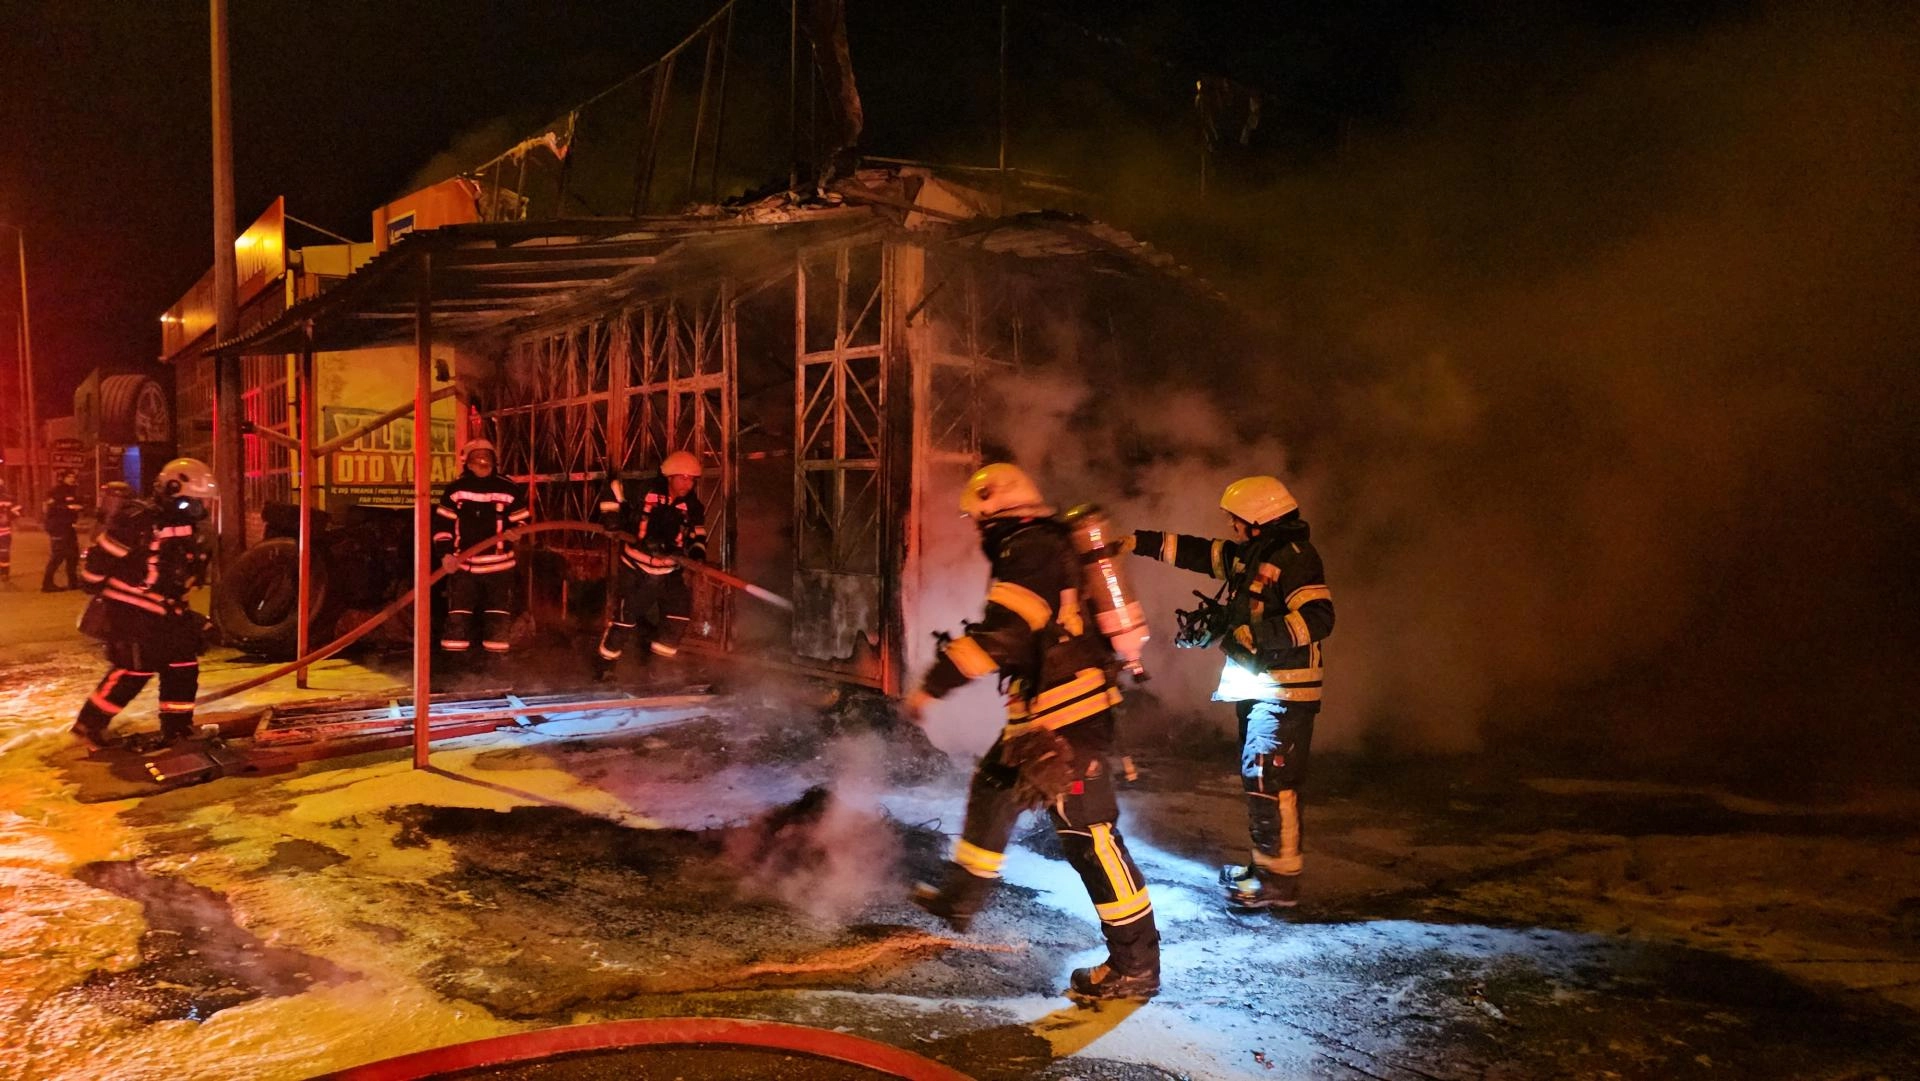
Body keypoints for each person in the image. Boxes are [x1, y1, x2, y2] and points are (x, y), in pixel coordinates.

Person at [903, 463, 1161, 1003]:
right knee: (995, 783)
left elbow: (1006, 634)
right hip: (1046, 715)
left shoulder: (1030, 549)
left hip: (1071, 720)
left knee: (1090, 837)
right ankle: (961, 898)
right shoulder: (1037, 547)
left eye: (978, 519)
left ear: (994, 512)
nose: (978, 530)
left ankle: (1135, 965)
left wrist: (934, 685)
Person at [1129, 475, 1334, 911]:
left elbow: (1319, 617)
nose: (1232, 526)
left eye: (1237, 519)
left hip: (1286, 689)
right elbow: (1199, 552)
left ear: (1259, 520)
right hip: (1261, 686)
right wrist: (1136, 541)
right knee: (1260, 778)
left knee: (1269, 779)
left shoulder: (1295, 558)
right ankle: (1265, 870)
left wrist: (1257, 636)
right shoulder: (1253, 555)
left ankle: (1278, 885)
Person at [70, 458, 217, 750]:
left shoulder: (187, 527)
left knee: (182, 663)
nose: (199, 508)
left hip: (165, 610)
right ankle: (89, 726)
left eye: (203, 502)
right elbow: (98, 564)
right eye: (193, 501)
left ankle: (177, 728)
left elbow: (179, 572)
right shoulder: (137, 521)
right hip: (128, 610)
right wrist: (95, 582)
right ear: (172, 491)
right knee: (134, 669)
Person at [592, 450, 707, 680]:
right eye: (683, 478)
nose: (687, 484)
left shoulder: (692, 505)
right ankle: (606, 668)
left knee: (678, 618)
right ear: (669, 476)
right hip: (637, 570)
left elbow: (699, 534)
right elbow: (612, 487)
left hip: (670, 572)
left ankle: (658, 670)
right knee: (624, 621)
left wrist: (697, 552)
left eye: (692, 479)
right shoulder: (643, 489)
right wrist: (612, 518)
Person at [432, 440, 530, 668]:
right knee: (458, 617)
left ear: (495, 460)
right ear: (467, 462)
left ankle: (495, 668)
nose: (483, 462)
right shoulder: (456, 489)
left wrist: (517, 531)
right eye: (478, 457)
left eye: (487, 457)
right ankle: (454, 667)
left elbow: (523, 520)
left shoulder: (508, 487)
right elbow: (443, 526)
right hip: (463, 566)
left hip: (499, 567)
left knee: (498, 617)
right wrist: (446, 555)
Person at [41, 468, 84, 592]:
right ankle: (47, 584)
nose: (72, 479)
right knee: (58, 555)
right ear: (63, 478)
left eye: (73, 476)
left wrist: (80, 507)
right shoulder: (56, 491)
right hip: (58, 527)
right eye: (69, 476)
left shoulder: (73, 490)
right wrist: (68, 508)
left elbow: (80, 503)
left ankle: (73, 582)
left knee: (73, 555)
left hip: (69, 526)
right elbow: (51, 507)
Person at [0, 477, 21, 586]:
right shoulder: (8, 499)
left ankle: (4, 573)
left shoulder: (8, 499)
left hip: (4, 531)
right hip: (5, 531)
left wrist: (8, 516)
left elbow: (18, 510)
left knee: (4, 552)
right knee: (4, 552)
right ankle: (4, 573)